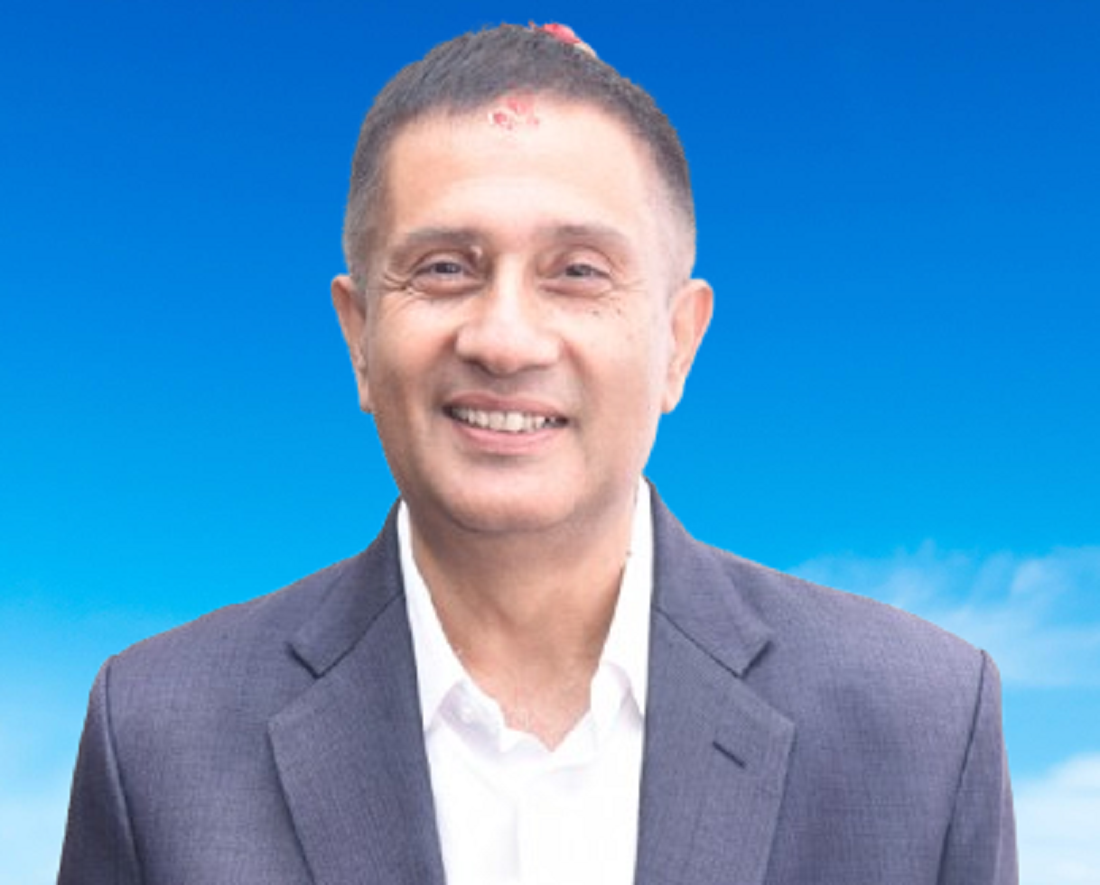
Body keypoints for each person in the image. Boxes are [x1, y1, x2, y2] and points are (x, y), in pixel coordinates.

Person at [58, 23, 1017, 885]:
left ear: (679, 342)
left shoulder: (923, 726)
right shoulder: (155, 735)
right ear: (358, 335)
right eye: (445, 268)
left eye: (578, 272)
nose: (505, 339)